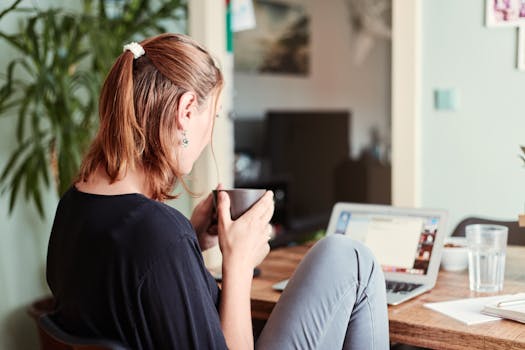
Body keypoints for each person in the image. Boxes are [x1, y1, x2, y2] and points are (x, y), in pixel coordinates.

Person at [46, 33, 389, 350]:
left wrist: (191, 239)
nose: (208, 135)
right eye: (213, 116)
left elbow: (136, 304)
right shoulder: (160, 234)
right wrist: (237, 264)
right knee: (350, 259)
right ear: (186, 110)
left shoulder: (72, 207)